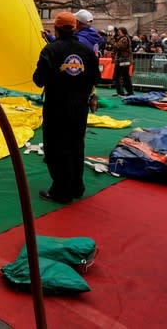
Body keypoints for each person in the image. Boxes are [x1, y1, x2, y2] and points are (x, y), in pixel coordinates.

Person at [32, 11, 100, 204]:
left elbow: (39, 79)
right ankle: (76, 186)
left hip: (57, 106)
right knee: (76, 145)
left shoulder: (51, 50)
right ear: (75, 27)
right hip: (79, 107)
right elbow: (96, 77)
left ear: (56, 28)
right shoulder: (86, 51)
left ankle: (61, 190)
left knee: (56, 148)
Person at [112, 26, 134, 96]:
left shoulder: (125, 39)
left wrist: (114, 40)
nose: (118, 33)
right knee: (123, 76)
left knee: (120, 76)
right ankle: (123, 91)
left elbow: (118, 47)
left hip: (123, 59)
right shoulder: (123, 38)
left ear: (123, 32)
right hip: (122, 59)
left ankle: (124, 92)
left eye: (119, 32)